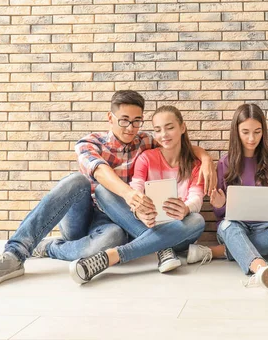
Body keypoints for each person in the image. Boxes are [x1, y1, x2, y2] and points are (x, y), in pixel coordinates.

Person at [0, 91, 215, 287]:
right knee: (79, 181)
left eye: (136, 121)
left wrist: (205, 159)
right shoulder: (89, 142)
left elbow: (176, 144)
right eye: (124, 121)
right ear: (110, 118)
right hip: (85, 216)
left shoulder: (146, 140)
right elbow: (100, 172)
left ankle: (60, 249)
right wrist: (130, 194)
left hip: (120, 223)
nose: (130, 128)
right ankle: (16, 253)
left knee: (113, 238)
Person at [69, 106, 209, 283]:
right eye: (158, 130)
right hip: (145, 223)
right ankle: (163, 250)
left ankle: (112, 256)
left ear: (182, 127)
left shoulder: (195, 165)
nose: (164, 134)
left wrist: (186, 209)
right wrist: (138, 211)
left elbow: (196, 197)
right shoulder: (146, 157)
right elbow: (136, 188)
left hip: (178, 230)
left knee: (197, 220)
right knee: (104, 190)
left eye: (170, 127)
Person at [186, 104, 268, 292]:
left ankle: (220, 252)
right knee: (228, 226)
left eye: (257, 132)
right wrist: (220, 205)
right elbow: (221, 215)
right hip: (235, 226)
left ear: (263, 132)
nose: (251, 138)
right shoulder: (225, 163)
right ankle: (261, 269)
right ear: (236, 131)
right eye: (245, 132)